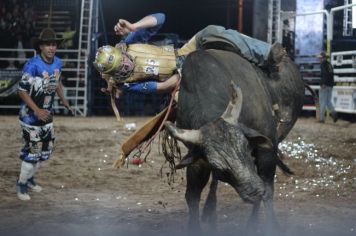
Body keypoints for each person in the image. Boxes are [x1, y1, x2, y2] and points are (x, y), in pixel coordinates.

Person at [93, 13, 286, 96]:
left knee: (209, 31)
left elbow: (161, 17)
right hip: (176, 78)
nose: (126, 65)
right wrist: (180, 75)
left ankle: (266, 54)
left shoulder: (130, 43)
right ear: (114, 73)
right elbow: (160, 87)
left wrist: (135, 26)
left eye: (123, 61)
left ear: (121, 52)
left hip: (182, 52)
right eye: (121, 68)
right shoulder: (126, 83)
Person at [16, 28, 74, 201]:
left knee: (45, 151)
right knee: (33, 150)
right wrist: (37, 110)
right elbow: (21, 91)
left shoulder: (57, 63)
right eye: (48, 44)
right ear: (40, 46)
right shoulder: (32, 65)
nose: (51, 47)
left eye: (54, 44)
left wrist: (64, 100)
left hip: (47, 115)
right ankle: (21, 186)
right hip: (30, 116)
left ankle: (30, 178)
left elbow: (56, 83)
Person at [318, 51, 338, 123]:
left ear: (323, 58)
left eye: (320, 58)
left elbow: (324, 74)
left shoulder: (323, 64)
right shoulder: (329, 64)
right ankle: (334, 112)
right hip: (330, 85)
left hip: (325, 85)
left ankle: (321, 118)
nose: (319, 60)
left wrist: (323, 83)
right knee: (328, 101)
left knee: (322, 101)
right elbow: (331, 74)